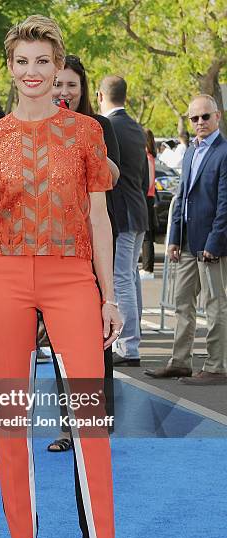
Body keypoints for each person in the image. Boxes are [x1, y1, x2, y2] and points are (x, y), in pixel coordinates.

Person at [0, 15, 132, 538]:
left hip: (72, 278)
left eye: (43, 62)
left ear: (59, 69)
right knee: (10, 416)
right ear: (9, 68)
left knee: (89, 419)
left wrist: (110, 297)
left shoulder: (85, 134)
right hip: (5, 278)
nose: (32, 73)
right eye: (22, 62)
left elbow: (100, 220)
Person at [47, 53, 120, 452]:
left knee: (94, 338)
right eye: (58, 84)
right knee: (58, 343)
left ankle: (96, 419)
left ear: (82, 89)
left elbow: (115, 175)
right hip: (50, 247)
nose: (63, 92)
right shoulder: (32, 126)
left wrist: (79, 138)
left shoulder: (99, 126)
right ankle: (64, 426)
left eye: (71, 84)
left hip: (91, 246)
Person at [145, 94, 227, 385]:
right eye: (195, 118)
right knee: (183, 302)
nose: (200, 122)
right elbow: (182, 198)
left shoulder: (224, 152)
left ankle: (217, 366)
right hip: (188, 242)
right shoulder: (191, 152)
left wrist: (214, 244)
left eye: (206, 116)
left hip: (211, 245)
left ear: (217, 117)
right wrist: (175, 238)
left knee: (215, 304)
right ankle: (180, 362)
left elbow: (224, 205)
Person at [98, 75, 149, 366]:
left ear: (101, 95)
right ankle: (133, 339)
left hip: (125, 213)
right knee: (130, 277)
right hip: (138, 209)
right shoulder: (135, 127)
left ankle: (129, 346)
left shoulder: (111, 127)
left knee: (122, 279)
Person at [140, 128, 157, 280]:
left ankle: (148, 268)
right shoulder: (150, 156)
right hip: (148, 197)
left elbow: (150, 180)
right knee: (146, 234)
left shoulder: (147, 157)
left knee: (147, 235)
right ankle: (147, 268)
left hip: (146, 197)